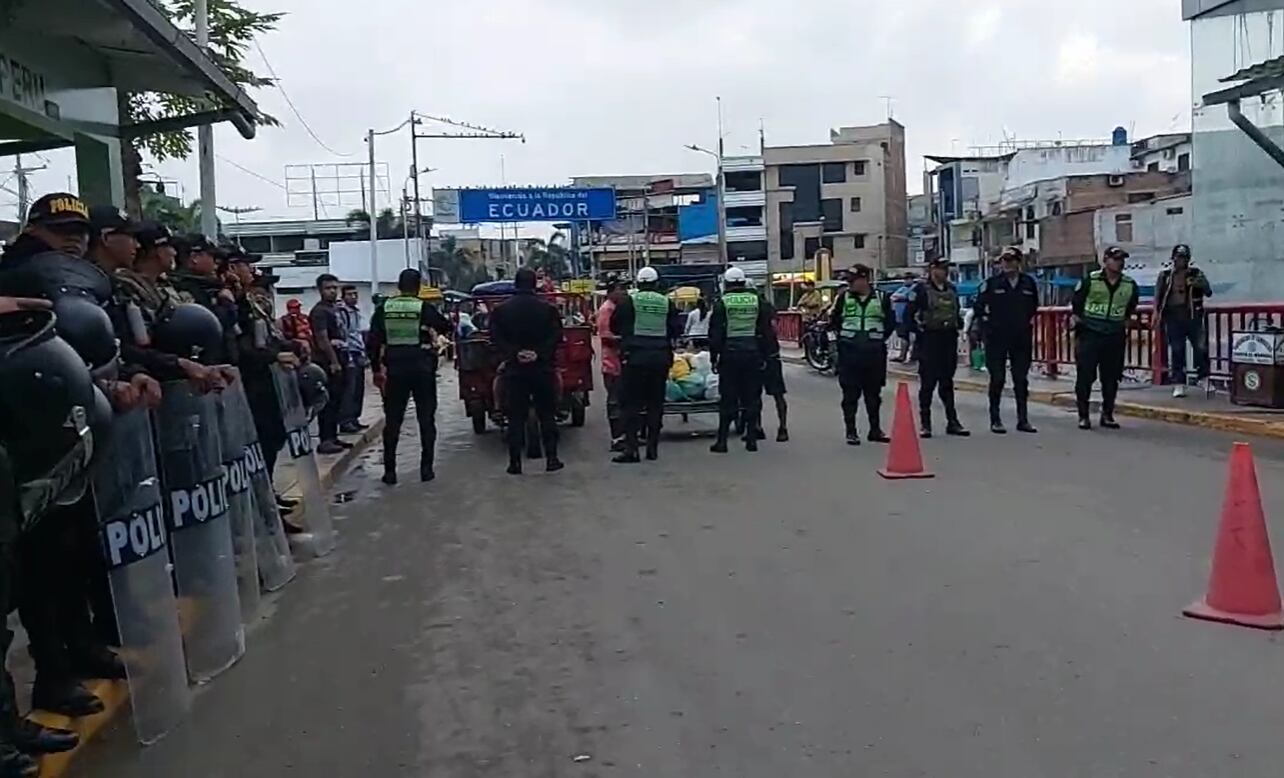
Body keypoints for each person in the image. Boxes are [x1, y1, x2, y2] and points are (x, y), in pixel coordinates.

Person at [222, 244, 304, 521]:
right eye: (246, 265)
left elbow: (267, 338)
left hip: (266, 382)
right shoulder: (230, 302)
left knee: (271, 440)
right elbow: (242, 346)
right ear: (232, 268)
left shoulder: (247, 302)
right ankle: (261, 505)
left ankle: (267, 494)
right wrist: (274, 355)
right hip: (248, 385)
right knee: (260, 442)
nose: (252, 271)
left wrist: (291, 346)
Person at [368, 268, 452, 485]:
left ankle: (390, 472)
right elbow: (446, 326)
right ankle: (426, 469)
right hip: (422, 369)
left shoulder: (384, 308)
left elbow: (373, 342)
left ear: (398, 286)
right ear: (418, 288)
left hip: (395, 370)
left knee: (393, 421)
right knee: (426, 419)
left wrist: (376, 369)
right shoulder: (423, 307)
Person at [489, 267, 564, 475]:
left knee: (515, 418)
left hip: (514, 370)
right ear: (534, 284)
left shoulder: (501, 310)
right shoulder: (548, 309)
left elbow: (495, 338)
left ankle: (515, 463)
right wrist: (538, 354)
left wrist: (515, 354)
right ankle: (552, 459)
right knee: (547, 415)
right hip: (542, 369)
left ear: (515, 284)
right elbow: (556, 336)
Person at [610, 266, 681, 463]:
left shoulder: (629, 301)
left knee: (631, 404)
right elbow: (676, 328)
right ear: (656, 283)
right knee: (655, 404)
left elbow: (614, 325)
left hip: (635, 359)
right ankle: (652, 448)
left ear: (639, 283)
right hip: (660, 358)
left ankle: (632, 449)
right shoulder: (666, 302)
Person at [972, 246, 1040, 434]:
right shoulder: (992, 283)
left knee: (1021, 379)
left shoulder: (1028, 283)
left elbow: (1033, 306)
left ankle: (1023, 420)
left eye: (1011, 261)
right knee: (997, 378)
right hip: (996, 337)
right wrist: (984, 328)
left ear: (1018, 262)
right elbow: (979, 307)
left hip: (1021, 336)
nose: (1007, 264)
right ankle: (995, 419)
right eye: (1004, 261)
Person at [708, 266, 775, 454]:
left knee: (728, 398)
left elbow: (715, 333)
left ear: (727, 283)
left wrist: (714, 357)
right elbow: (766, 330)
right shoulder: (757, 301)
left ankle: (722, 441)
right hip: (753, 353)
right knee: (752, 397)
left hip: (730, 355)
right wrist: (766, 355)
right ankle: (751, 439)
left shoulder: (722, 302)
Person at [1072, 246, 1139, 430]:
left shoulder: (1129, 284)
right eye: (1115, 259)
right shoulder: (1091, 280)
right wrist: (1077, 322)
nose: (1119, 263)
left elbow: (1131, 306)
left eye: (1122, 259)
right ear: (1105, 261)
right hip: (1090, 332)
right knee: (1085, 376)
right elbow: (1077, 303)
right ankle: (1083, 415)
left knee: (1111, 377)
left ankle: (1107, 414)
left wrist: (1125, 321)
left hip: (1114, 334)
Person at [829, 263, 895, 445]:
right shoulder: (843, 298)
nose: (850, 284)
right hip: (849, 353)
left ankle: (875, 430)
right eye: (849, 281)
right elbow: (834, 321)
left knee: (873, 395)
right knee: (850, 395)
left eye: (853, 281)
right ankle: (851, 431)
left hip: (874, 354)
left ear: (865, 280)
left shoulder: (882, 298)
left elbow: (890, 323)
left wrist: (875, 339)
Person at [910, 258, 969, 438]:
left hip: (948, 339)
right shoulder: (921, 289)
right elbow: (909, 315)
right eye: (940, 269)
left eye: (945, 269)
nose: (944, 272)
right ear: (932, 269)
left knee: (947, 383)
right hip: (929, 340)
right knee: (928, 384)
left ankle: (953, 421)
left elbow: (956, 312)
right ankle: (925, 423)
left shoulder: (951, 289)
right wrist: (919, 332)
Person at [1155, 244, 1212, 398]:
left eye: (1184, 258)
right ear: (1173, 258)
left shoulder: (1196, 273)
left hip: (1193, 316)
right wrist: (1157, 314)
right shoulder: (1165, 275)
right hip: (1173, 317)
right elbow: (1158, 296)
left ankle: (1204, 378)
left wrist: (1198, 283)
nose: (1181, 261)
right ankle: (1179, 383)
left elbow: (1208, 291)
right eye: (1179, 257)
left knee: (1200, 348)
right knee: (1177, 350)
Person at [309, 274, 350, 455]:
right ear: (320, 290)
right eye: (328, 288)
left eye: (334, 287)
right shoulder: (319, 311)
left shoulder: (334, 309)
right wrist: (333, 361)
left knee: (337, 401)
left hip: (341, 357)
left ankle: (333, 437)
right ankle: (325, 440)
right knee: (328, 402)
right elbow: (322, 339)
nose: (332, 291)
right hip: (327, 362)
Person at [596, 278, 626, 451]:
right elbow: (605, 336)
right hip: (612, 364)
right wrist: (626, 340)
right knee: (615, 402)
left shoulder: (617, 308)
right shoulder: (607, 309)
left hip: (620, 363)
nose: (622, 293)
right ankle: (617, 438)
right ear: (611, 292)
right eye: (619, 289)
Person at [336, 285, 369, 433]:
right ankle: (346, 421)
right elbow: (344, 334)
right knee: (349, 389)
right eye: (349, 294)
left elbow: (358, 333)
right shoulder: (342, 312)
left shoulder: (356, 312)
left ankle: (355, 418)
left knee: (358, 389)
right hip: (349, 352)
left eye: (355, 294)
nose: (353, 297)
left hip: (358, 351)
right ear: (343, 296)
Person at [890, 273, 918, 363]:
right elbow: (892, 297)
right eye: (905, 279)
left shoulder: (914, 288)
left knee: (907, 336)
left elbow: (907, 297)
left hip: (908, 316)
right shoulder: (902, 288)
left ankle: (907, 355)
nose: (906, 281)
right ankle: (903, 355)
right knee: (902, 336)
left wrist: (899, 297)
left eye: (909, 279)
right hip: (899, 316)